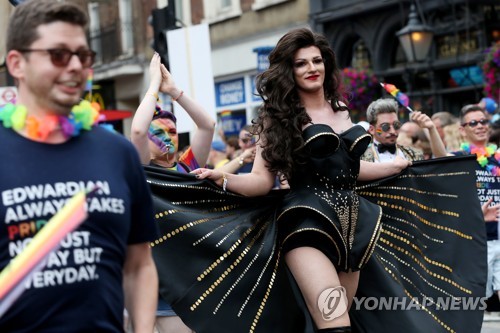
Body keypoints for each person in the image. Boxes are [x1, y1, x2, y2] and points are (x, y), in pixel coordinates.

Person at [192, 27, 410, 332]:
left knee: (335, 321)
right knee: (335, 322)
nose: (312, 68)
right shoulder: (278, 116)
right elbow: (260, 181)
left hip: (353, 228)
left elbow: (350, 169)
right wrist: (223, 177)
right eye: (301, 63)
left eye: (316, 60)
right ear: (289, 71)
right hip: (306, 225)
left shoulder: (342, 110)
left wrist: (397, 166)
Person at [0, 1, 158, 332]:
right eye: (58, 54)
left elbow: (139, 264)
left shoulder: (118, 152)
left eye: (83, 56)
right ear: (17, 63)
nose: (75, 67)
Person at [130, 52, 215, 333]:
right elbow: (138, 132)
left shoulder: (186, 166)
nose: (169, 137)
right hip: (140, 289)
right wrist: (153, 86)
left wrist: (175, 92)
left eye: (173, 130)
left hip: (178, 291)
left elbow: (207, 125)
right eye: (161, 133)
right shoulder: (140, 170)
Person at [450, 104, 500, 317]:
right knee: (471, 308)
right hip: (473, 241)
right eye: (473, 123)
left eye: (483, 121)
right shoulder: (457, 158)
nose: (480, 126)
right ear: (463, 129)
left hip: (498, 235)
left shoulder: (497, 157)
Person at [361, 98, 447, 162]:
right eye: (385, 127)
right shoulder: (360, 158)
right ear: (372, 129)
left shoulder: (414, 154)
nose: (392, 131)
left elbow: (442, 161)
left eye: (396, 125)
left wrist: (431, 128)